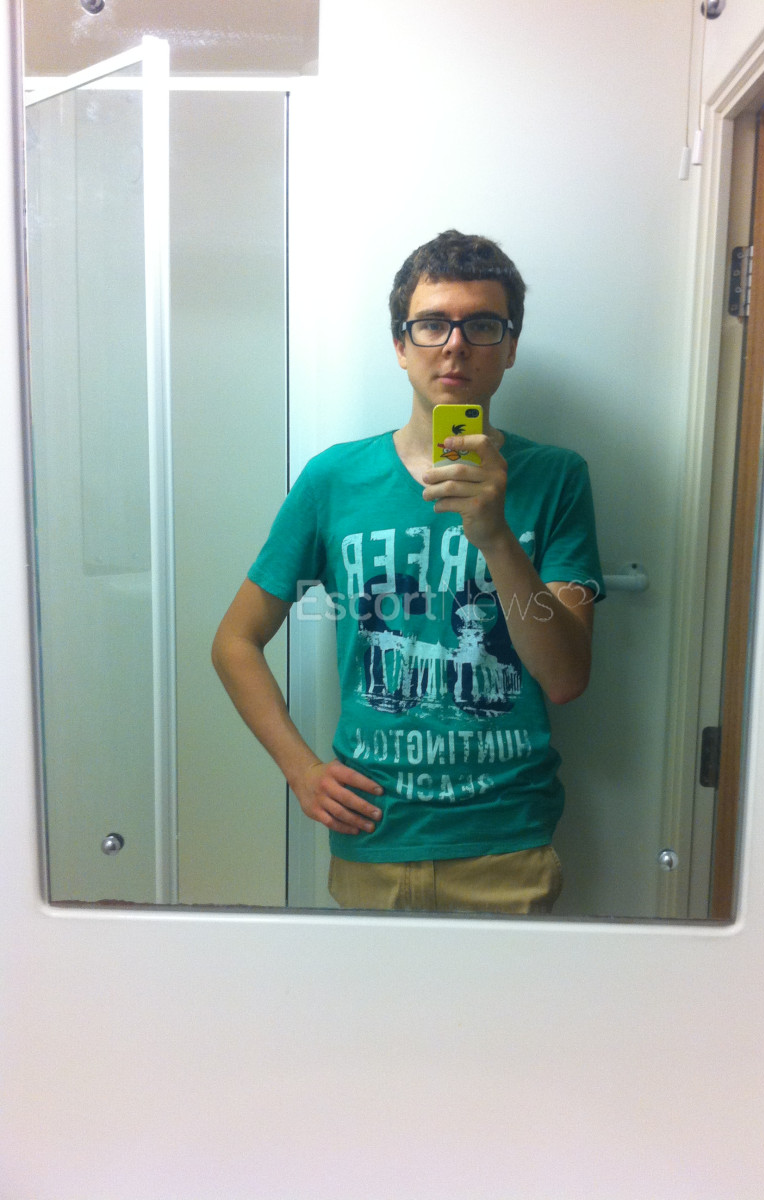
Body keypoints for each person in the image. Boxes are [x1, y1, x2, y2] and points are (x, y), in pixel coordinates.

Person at [212, 230, 603, 914]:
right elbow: (234, 642)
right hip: (372, 835)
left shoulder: (555, 477)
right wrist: (301, 770)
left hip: (505, 842)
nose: (455, 345)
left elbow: (566, 678)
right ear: (400, 344)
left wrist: (495, 536)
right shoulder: (334, 479)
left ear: (510, 346)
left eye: (482, 325)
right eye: (432, 324)